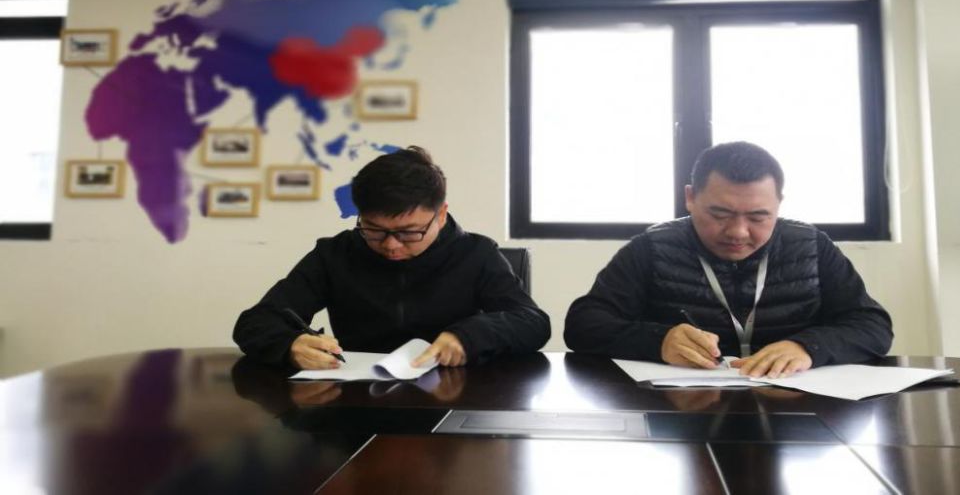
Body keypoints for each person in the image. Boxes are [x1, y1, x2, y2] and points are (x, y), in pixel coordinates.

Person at [563, 141, 892, 379]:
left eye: (758, 217)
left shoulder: (811, 246)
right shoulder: (653, 247)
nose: (738, 232)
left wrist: (808, 347)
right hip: (682, 410)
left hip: (795, 403)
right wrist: (658, 341)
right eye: (719, 214)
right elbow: (583, 325)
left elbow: (872, 325)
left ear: (779, 204)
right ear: (690, 198)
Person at [233, 146, 550, 370]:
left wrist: (469, 336)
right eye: (374, 230)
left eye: (409, 232)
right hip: (355, 400)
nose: (391, 246)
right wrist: (290, 345)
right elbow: (255, 322)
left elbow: (533, 322)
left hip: (456, 397)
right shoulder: (335, 254)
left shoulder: (476, 254)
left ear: (441, 215)